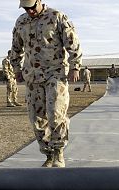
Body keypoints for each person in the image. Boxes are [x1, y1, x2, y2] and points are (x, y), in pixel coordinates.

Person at [11, 0, 82, 167]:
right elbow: (15, 47)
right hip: (32, 77)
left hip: (55, 74)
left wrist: (75, 66)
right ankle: (48, 154)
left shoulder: (57, 17)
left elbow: (72, 42)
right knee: (37, 119)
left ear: (39, 1)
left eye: (32, 7)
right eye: (26, 8)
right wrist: (16, 69)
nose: (30, 11)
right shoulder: (21, 21)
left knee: (56, 114)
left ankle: (58, 153)